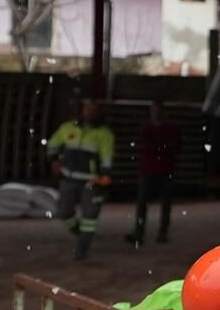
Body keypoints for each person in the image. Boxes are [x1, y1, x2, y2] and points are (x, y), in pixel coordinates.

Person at [47, 97, 115, 261]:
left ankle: (82, 249)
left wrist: (105, 175)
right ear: (82, 111)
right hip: (68, 177)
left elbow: (107, 157)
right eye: (87, 109)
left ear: (98, 113)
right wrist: (53, 160)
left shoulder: (104, 134)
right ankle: (82, 234)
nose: (89, 113)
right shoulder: (67, 128)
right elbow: (52, 145)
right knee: (64, 213)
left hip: (91, 181)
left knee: (90, 216)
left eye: (93, 110)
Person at [127, 101, 180, 246]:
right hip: (151, 169)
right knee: (144, 202)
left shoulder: (169, 129)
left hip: (163, 169)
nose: (155, 113)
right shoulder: (148, 129)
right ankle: (140, 231)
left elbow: (171, 146)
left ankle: (160, 232)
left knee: (164, 203)